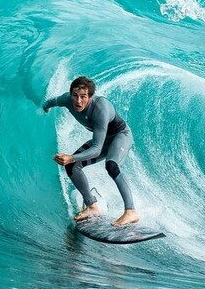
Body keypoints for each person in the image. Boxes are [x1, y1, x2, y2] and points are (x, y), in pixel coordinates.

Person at [43, 76, 139, 227]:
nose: (78, 101)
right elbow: (52, 102)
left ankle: (131, 211)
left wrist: (71, 156)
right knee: (71, 166)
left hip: (121, 136)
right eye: (75, 95)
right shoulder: (67, 99)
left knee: (111, 165)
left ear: (90, 96)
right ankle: (92, 207)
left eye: (83, 97)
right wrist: (44, 107)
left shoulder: (101, 108)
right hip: (104, 140)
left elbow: (96, 149)